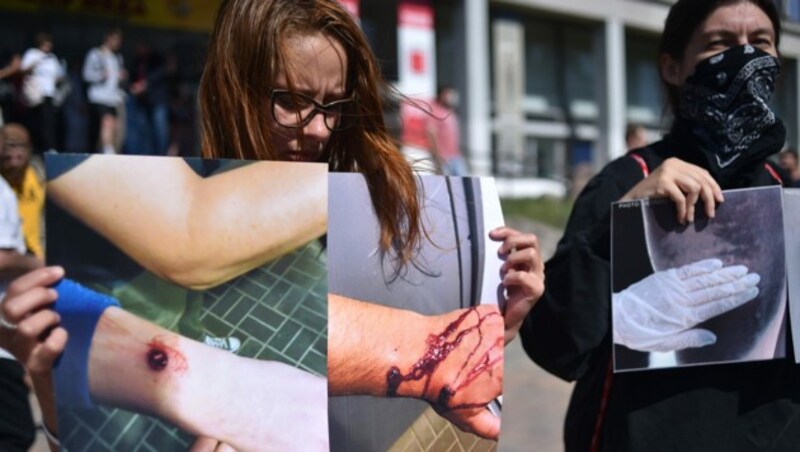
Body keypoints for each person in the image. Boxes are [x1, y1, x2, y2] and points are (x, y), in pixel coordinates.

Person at [2, 0, 545, 448]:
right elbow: (192, 239)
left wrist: (499, 322)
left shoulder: (378, 206)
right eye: (290, 101)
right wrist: (51, 386)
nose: (319, 131)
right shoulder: (162, 191)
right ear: (232, 87)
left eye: (334, 106)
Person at [521, 1, 800, 451]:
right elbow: (559, 346)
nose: (745, 56)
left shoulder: (783, 190)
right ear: (672, 67)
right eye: (719, 44)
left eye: (761, 43)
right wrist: (624, 223)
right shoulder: (626, 179)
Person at [0, 128, 42, 452]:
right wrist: (35, 263)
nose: (12, 151)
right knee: (17, 433)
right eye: (6, 144)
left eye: (19, 146)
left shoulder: (34, 183)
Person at [1, 123, 44, 258]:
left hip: (37, 258)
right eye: (9, 146)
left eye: (19, 146)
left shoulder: (40, 177)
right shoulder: (2, 189)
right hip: (11, 261)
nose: (13, 154)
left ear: (29, 150)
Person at [20, 33, 66, 154]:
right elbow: (23, 69)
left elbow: (59, 75)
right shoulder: (32, 54)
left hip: (49, 93)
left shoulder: (52, 58)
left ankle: (49, 147)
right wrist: (36, 64)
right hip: (36, 94)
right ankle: (34, 146)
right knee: (36, 121)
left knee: (49, 122)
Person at [83, 28, 125, 155]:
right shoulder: (95, 54)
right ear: (108, 38)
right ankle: (108, 151)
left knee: (114, 127)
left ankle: (105, 149)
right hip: (99, 97)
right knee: (107, 122)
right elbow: (86, 75)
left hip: (113, 98)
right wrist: (101, 75)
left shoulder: (117, 58)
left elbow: (115, 81)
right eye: (116, 40)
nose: (118, 43)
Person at [426, 85, 468, 176]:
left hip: (456, 155)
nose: (451, 97)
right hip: (444, 157)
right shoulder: (435, 112)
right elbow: (431, 134)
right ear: (441, 95)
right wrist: (437, 155)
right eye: (448, 94)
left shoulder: (450, 111)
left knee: (463, 183)